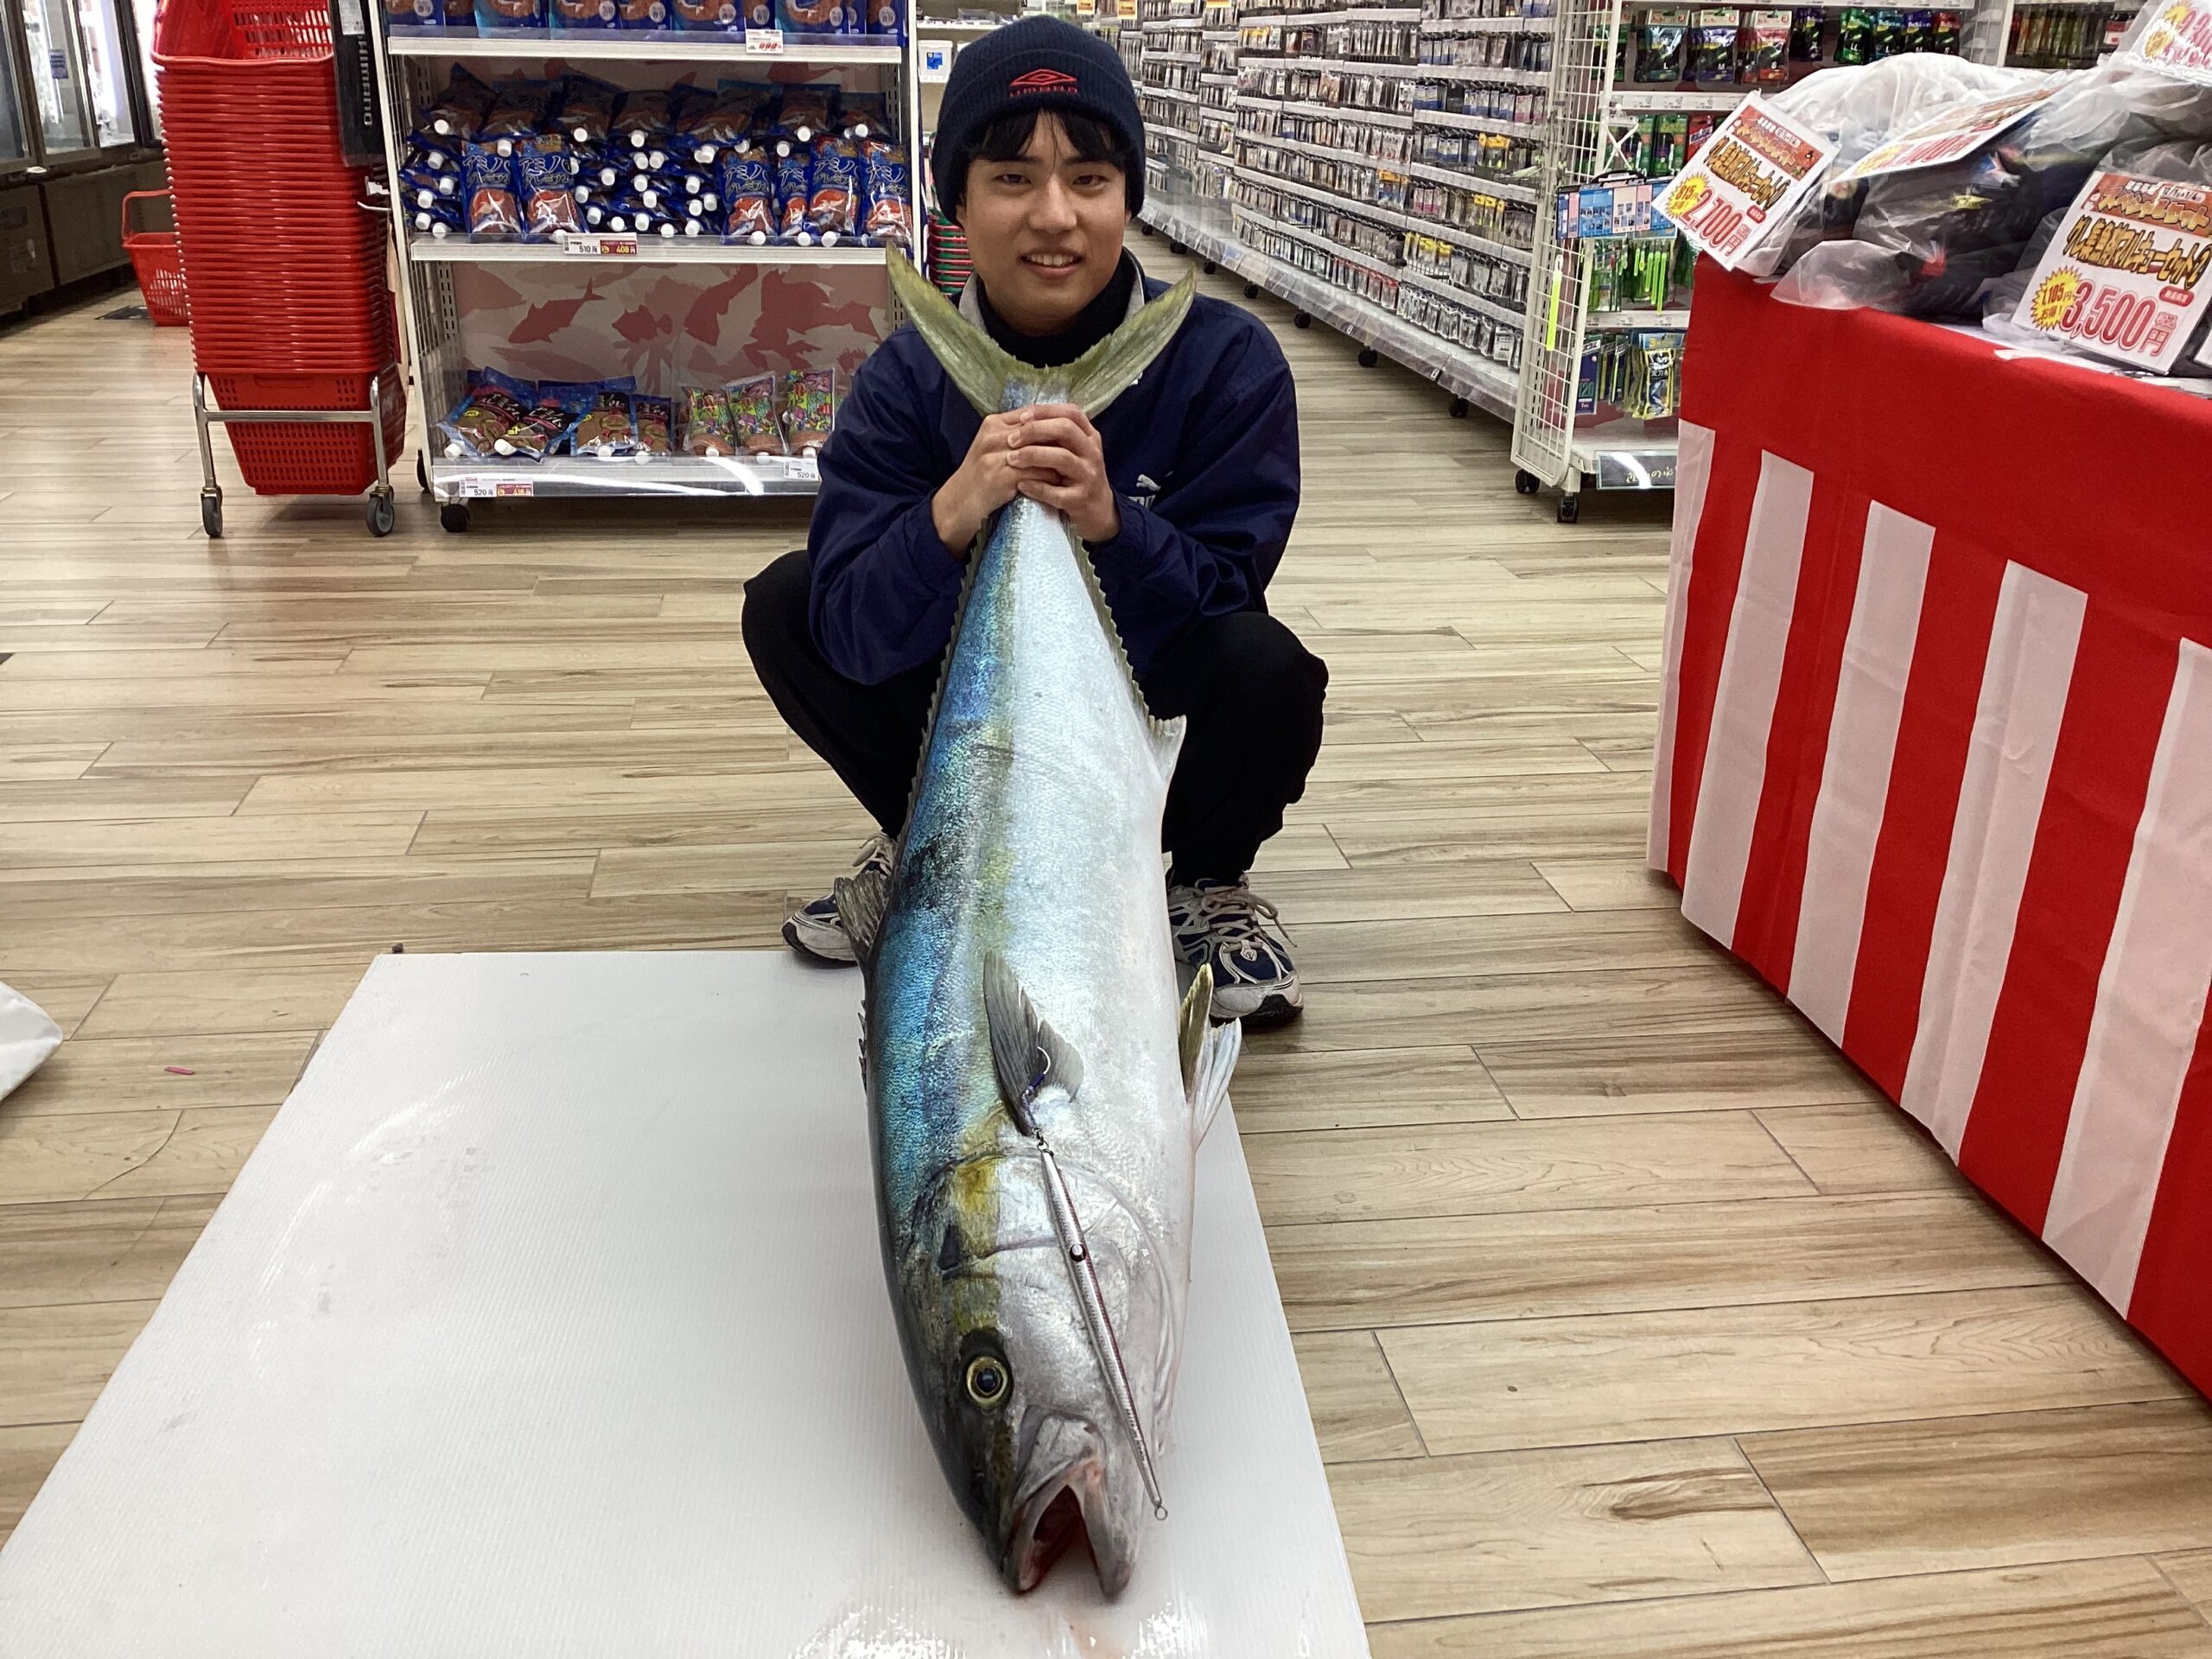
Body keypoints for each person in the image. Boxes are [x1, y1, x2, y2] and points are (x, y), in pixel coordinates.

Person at [741, 16, 1326, 1026]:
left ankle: (1204, 883)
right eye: (1012, 177)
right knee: (789, 604)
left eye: (1089, 178)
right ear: (957, 202)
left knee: (1264, 666)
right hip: (962, 714)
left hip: (1141, 705)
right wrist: (951, 513)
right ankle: (935, 844)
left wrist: (1112, 526)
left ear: (1128, 197)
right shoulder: (904, 380)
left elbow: (1228, 591)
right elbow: (849, 630)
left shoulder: (1227, 363)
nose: (1054, 215)